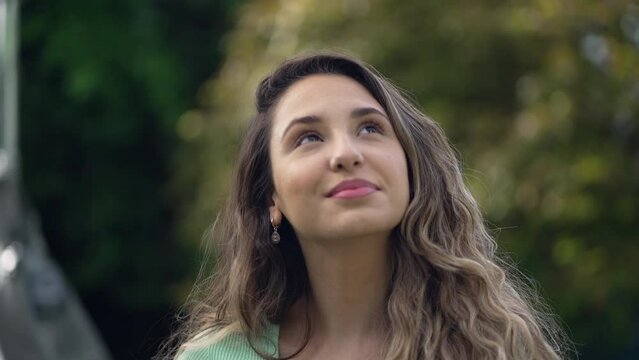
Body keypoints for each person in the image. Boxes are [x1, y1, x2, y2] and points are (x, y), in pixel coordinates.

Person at [161, 53, 572, 359]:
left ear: (411, 167)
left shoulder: (495, 347)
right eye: (308, 138)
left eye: (370, 128)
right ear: (273, 199)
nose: (346, 153)